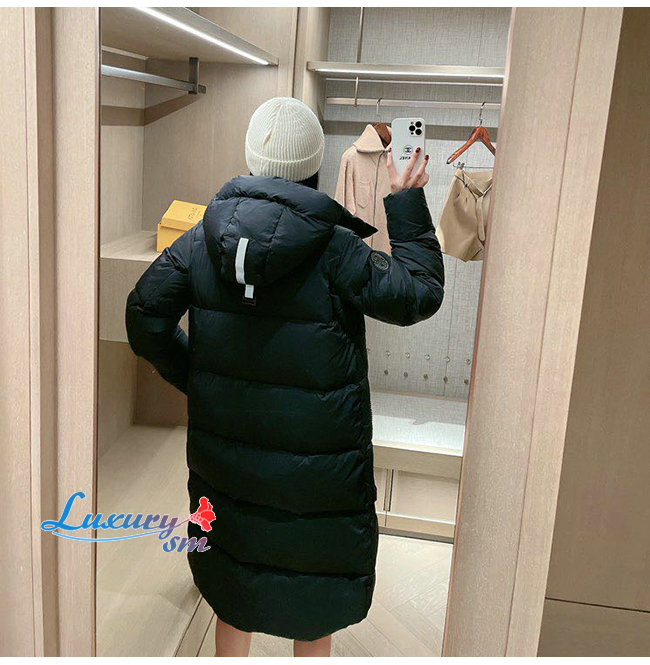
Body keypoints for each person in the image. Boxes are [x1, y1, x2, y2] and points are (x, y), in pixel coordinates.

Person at [125, 97, 444, 657]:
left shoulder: (201, 238)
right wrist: (406, 199)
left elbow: (144, 317)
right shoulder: (335, 248)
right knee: (312, 600)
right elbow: (417, 293)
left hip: (226, 463)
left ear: (252, 159)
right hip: (319, 473)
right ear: (314, 165)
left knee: (232, 587)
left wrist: (198, 380)